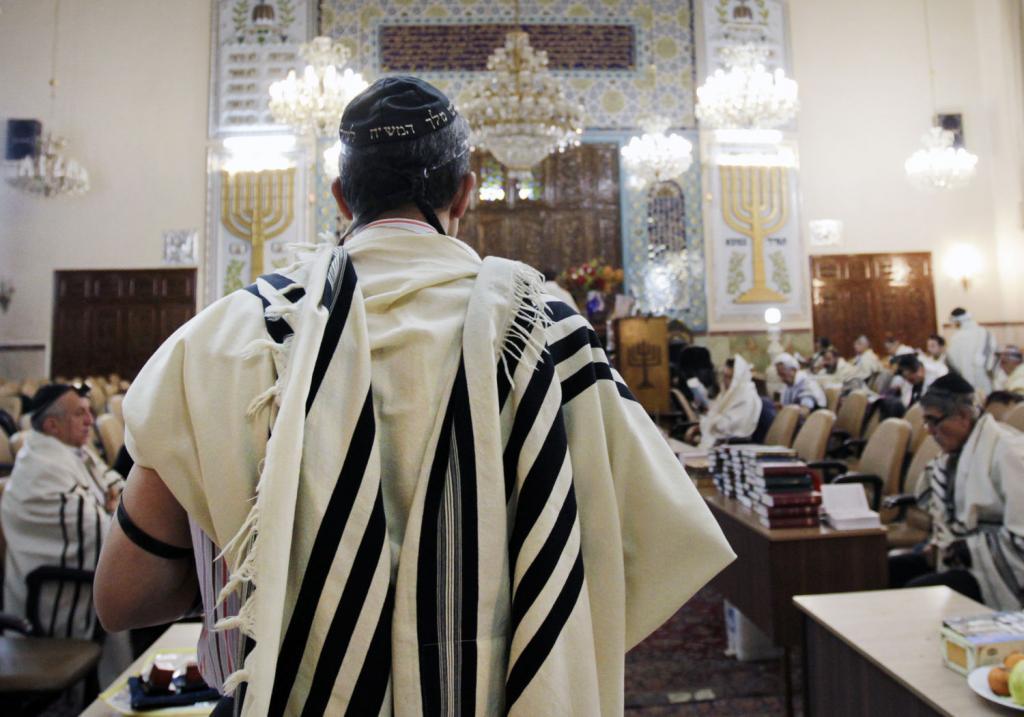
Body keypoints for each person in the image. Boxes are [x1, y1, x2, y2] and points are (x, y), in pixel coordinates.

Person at [94, 77, 735, 716]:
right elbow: (647, 550)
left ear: (342, 197)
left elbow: (122, 597)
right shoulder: (548, 330)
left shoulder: (222, 340)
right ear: (464, 191)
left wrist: (257, 550)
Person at [1, 384, 130, 681]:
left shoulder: (75, 453)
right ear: (51, 425)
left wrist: (111, 507)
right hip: (51, 600)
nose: (90, 420)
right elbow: (99, 531)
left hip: (77, 578)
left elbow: (120, 491)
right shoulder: (40, 467)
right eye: (79, 414)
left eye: (89, 412)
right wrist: (112, 508)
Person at [890, 374, 1024, 608]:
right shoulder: (952, 455)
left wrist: (967, 550)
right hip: (966, 560)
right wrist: (940, 543)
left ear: (963, 416)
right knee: (889, 570)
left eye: (934, 421)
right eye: (926, 422)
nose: (930, 431)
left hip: (998, 572)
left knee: (916, 593)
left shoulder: (1009, 454)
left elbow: (1020, 536)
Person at [690, 355, 765, 449]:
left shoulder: (746, 396)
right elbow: (714, 413)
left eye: (730, 377)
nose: (725, 381)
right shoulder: (726, 392)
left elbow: (725, 426)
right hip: (718, 440)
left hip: (732, 444)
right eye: (725, 376)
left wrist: (711, 420)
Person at [946, 307, 997, 396]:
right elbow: (992, 358)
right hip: (984, 380)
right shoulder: (985, 332)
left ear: (957, 323)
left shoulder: (955, 338)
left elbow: (952, 363)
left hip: (965, 383)